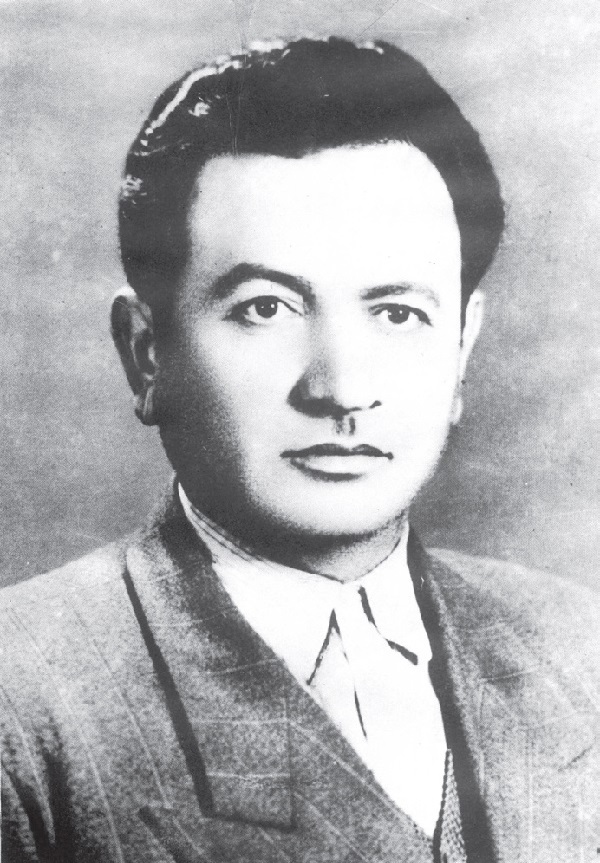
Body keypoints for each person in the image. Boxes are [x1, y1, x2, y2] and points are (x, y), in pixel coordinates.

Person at [1, 37, 597, 863]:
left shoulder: (581, 646)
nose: (340, 389)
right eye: (265, 308)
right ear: (146, 353)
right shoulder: (23, 703)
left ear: (461, 349)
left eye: (397, 314)